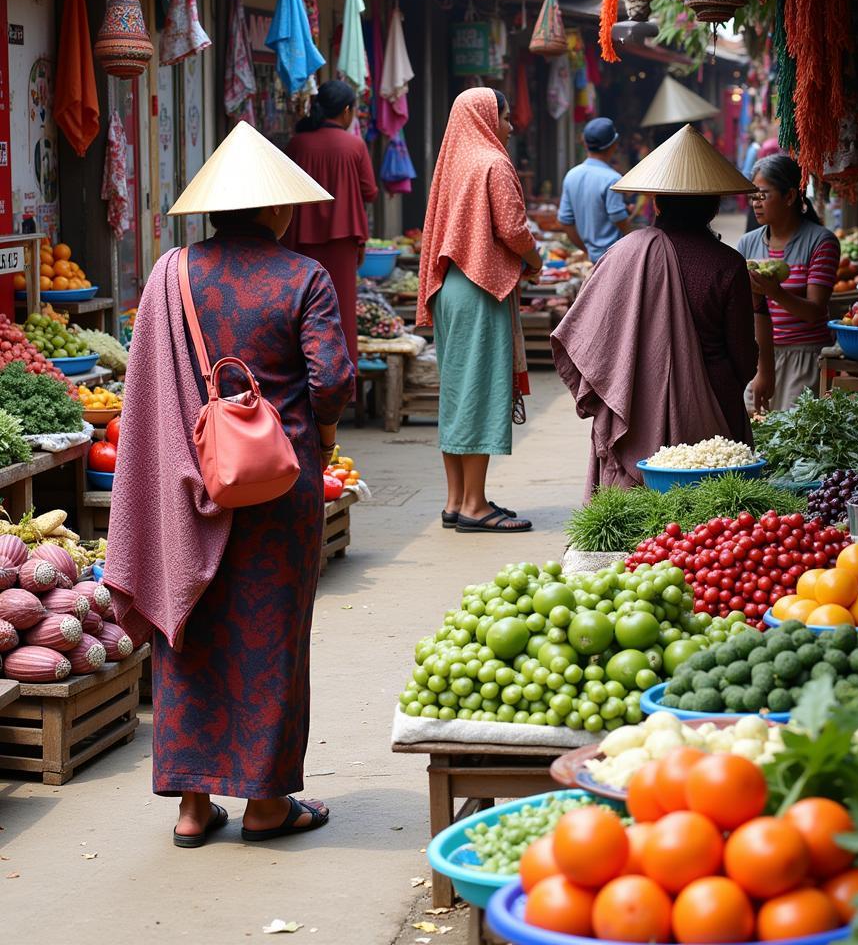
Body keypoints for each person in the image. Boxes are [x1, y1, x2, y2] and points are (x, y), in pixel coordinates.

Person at [104, 122, 354, 847]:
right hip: (280, 486)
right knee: (274, 634)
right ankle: (269, 805)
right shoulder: (303, 278)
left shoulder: (169, 273)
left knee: (191, 622)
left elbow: (143, 383)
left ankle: (192, 804)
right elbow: (332, 379)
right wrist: (323, 435)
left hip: (189, 482)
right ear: (278, 209)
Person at [551, 124, 760, 497]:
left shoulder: (622, 253)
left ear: (656, 203)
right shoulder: (728, 265)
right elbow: (744, 360)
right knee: (709, 532)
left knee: (633, 527)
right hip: (713, 412)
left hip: (633, 407)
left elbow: (588, 340)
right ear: (714, 205)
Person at [416, 87, 542, 532]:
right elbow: (512, 229)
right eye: (505, 117)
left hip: (450, 288)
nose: (510, 126)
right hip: (480, 289)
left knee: (456, 392)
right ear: (488, 118)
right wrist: (535, 258)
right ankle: (474, 506)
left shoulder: (452, 165)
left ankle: (457, 500)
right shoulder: (493, 162)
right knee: (481, 392)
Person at [284, 80, 378, 364]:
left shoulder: (297, 143)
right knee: (341, 311)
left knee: (299, 308)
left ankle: (300, 374)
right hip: (342, 241)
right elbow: (370, 192)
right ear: (347, 111)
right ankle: (340, 382)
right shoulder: (354, 145)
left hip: (300, 239)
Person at [738, 153, 841, 412]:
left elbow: (814, 311)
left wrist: (775, 293)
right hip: (759, 357)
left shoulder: (821, 242)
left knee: (794, 437)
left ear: (790, 196)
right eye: (753, 196)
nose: (756, 204)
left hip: (805, 357)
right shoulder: (747, 243)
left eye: (763, 194)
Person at [557, 117, 632, 263]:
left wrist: (587, 249)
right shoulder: (612, 179)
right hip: (614, 259)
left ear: (585, 144)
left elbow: (565, 222)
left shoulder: (571, 175)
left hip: (593, 259)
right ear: (614, 145)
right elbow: (618, 219)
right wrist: (636, 237)